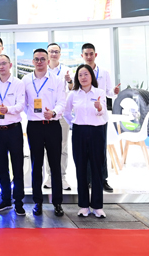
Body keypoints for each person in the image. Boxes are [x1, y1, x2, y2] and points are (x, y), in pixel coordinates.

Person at [23, 47, 66, 217]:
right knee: (36, 165)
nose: (39, 62)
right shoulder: (26, 80)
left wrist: (53, 113)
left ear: (48, 61)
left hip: (53, 125)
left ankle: (57, 203)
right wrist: (32, 114)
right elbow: (23, 103)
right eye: (36, 59)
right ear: (32, 61)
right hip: (34, 127)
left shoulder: (57, 80)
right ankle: (37, 202)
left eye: (43, 59)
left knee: (55, 165)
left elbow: (62, 102)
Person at [66, 64, 108, 218]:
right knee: (81, 168)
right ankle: (83, 205)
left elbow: (103, 112)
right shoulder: (73, 94)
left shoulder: (99, 92)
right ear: (77, 78)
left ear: (91, 76)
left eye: (86, 74)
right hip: (79, 132)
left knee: (97, 168)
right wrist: (73, 124)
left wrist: (99, 107)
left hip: (97, 131)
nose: (83, 77)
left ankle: (97, 206)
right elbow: (66, 112)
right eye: (80, 75)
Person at [0, 54, 26, 216]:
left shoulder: (18, 83)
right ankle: (6, 200)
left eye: (4, 63)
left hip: (14, 129)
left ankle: (19, 202)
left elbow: (21, 105)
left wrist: (8, 110)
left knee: (17, 167)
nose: (1, 66)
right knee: (1, 167)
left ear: (10, 65)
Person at [82, 43, 119, 193]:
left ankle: (102, 179)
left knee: (101, 150)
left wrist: (114, 91)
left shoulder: (104, 72)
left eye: (91, 53)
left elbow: (109, 92)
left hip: (101, 117)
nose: (89, 56)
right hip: (85, 117)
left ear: (95, 55)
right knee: (86, 151)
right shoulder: (80, 72)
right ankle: (88, 180)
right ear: (82, 56)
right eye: (86, 54)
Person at [44, 43, 72, 191]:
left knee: (63, 146)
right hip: (47, 114)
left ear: (60, 54)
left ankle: (62, 176)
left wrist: (69, 80)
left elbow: (73, 89)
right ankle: (50, 176)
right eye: (51, 51)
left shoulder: (67, 70)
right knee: (48, 147)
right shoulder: (43, 70)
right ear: (47, 53)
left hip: (62, 114)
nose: (53, 54)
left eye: (56, 52)